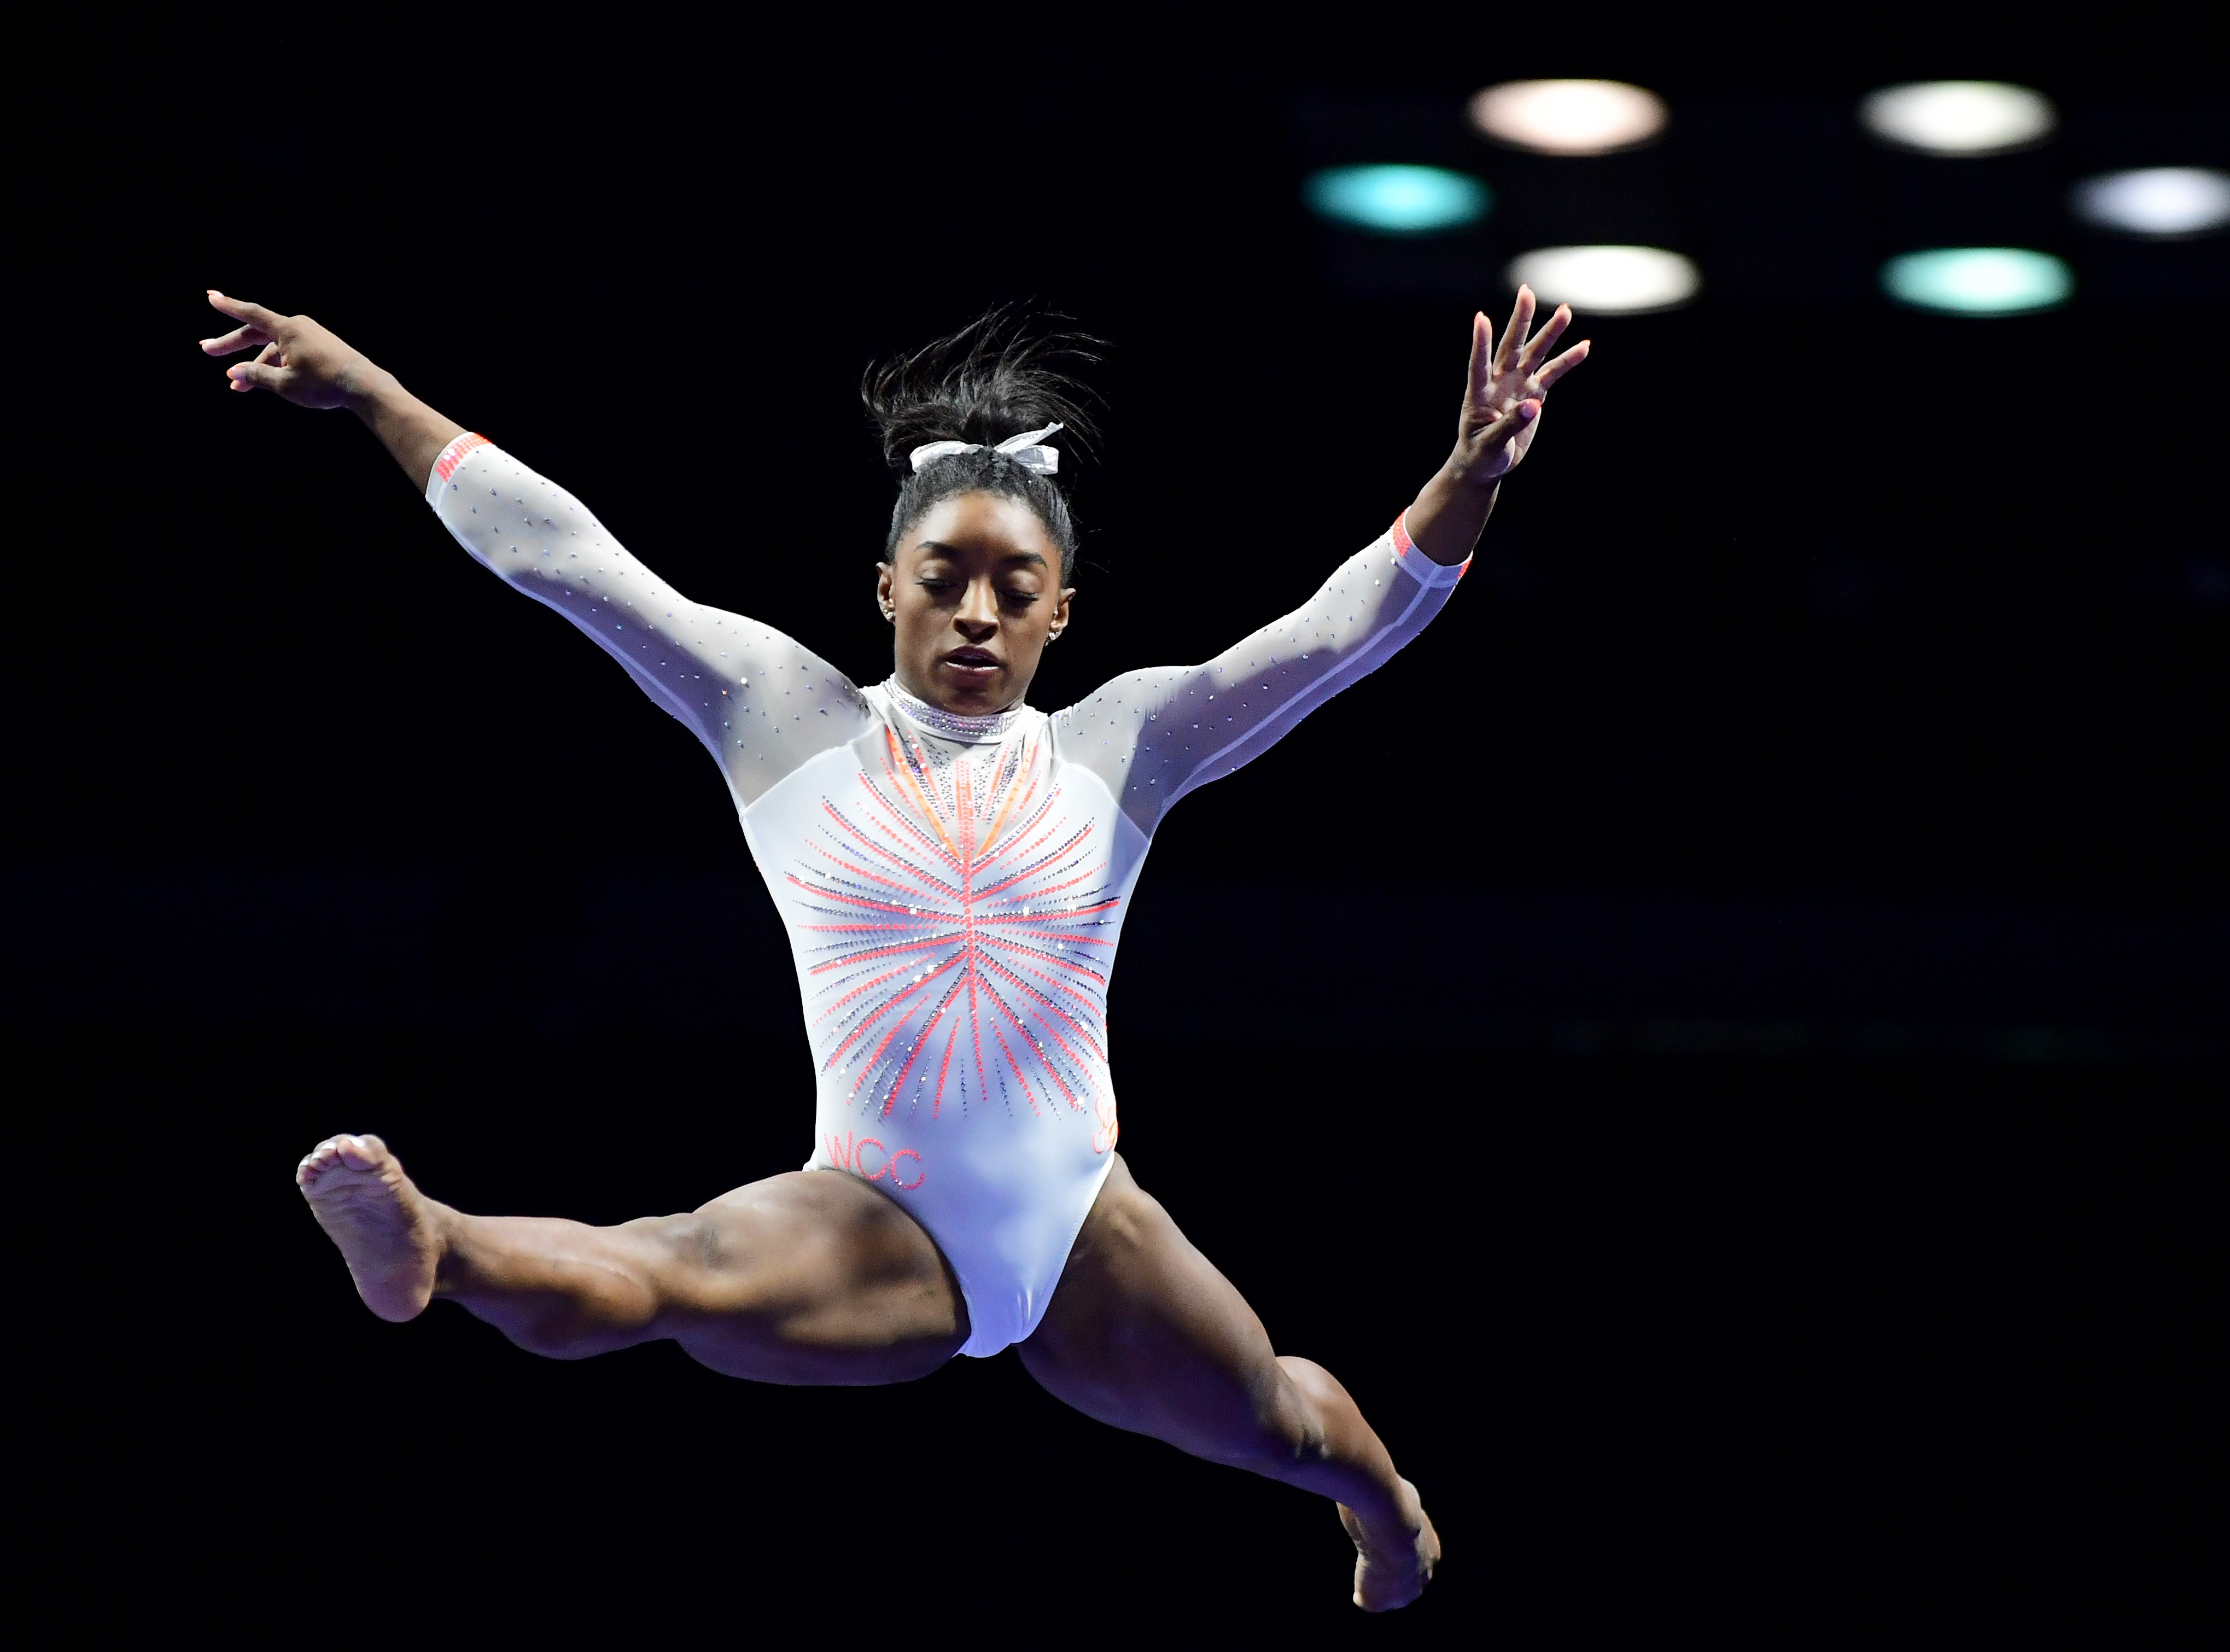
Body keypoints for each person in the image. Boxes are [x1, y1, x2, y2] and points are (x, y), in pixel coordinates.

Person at [202, 286, 1587, 1611]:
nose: (976, 612)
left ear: (1062, 610)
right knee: (669, 1273)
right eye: (945, 578)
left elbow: (1334, 635)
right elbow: (563, 556)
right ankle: (431, 1240)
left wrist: (1471, 469)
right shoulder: (781, 713)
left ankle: (1385, 1508)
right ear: (885, 587)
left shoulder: (1123, 743)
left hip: (1081, 1222)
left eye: (1014, 586)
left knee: (1288, 1424)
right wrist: (373, 391)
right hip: (876, 1210)